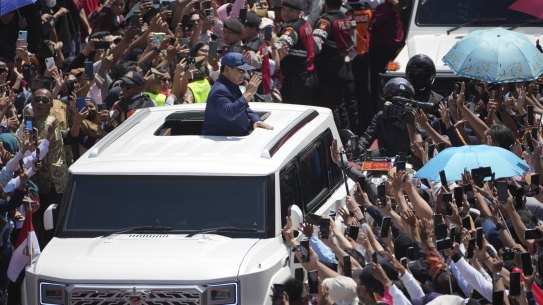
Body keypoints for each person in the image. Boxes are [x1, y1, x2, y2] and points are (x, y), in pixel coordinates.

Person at [202, 52, 273, 136]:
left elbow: (245, 109)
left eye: (245, 70)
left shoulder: (231, 84)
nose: (245, 73)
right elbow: (230, 113)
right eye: (241, 70)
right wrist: (248, 93)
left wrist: (256, 119)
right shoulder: (219, 90)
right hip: (222, 144)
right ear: (227, 69)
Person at [313, 0, 358, 131]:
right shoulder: (345, 18)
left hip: (328, 69)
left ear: (325, 5)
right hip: (344, 66)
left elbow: (316, 43)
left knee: (331, 106)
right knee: (342, 103)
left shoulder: (325, 21)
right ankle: (348, 134)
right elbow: (352, 42)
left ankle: (337, 137)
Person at [277, 0, 317, 105]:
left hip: (296, 79)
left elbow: (281, 45)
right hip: (307, 74)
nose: (286, 13)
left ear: (299, 12)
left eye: (290, 11)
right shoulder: (304, 23)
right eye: (284, 9)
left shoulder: (292, 29)